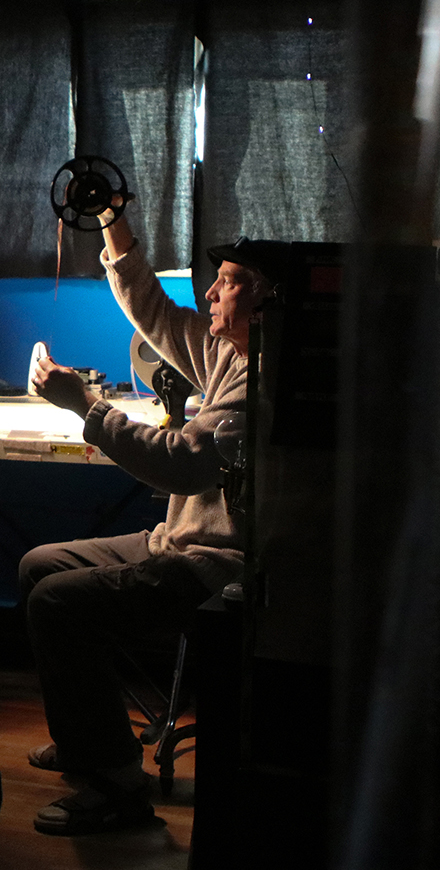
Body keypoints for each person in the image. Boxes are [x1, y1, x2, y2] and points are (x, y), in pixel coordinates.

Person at [21, 205, 277, 836]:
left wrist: (86, 405)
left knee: (58, 602)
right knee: (38, 567)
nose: (210, 293)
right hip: (175, 542)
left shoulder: (264, 383)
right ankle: (87, 740)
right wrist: (112, 216)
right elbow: (153, 309)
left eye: (228, 282)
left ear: (266, 302)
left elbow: (182, 465)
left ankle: (116, 783)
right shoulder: (228, 354)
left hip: (214, 567)